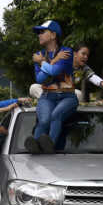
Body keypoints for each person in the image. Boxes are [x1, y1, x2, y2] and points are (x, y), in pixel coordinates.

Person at [24, 20, 77, 154]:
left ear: (53, 35)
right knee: (44, 120)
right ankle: (35, 147)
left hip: (67, 97)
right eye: (38, 33)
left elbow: (54, 72)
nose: (39, 35)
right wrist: (52, 61)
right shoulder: (39, 54)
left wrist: (42, 62)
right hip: (47, 96)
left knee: (56, 115)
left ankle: (50, 146)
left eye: (42, 32)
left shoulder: (67, 52)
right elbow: (40, 78)